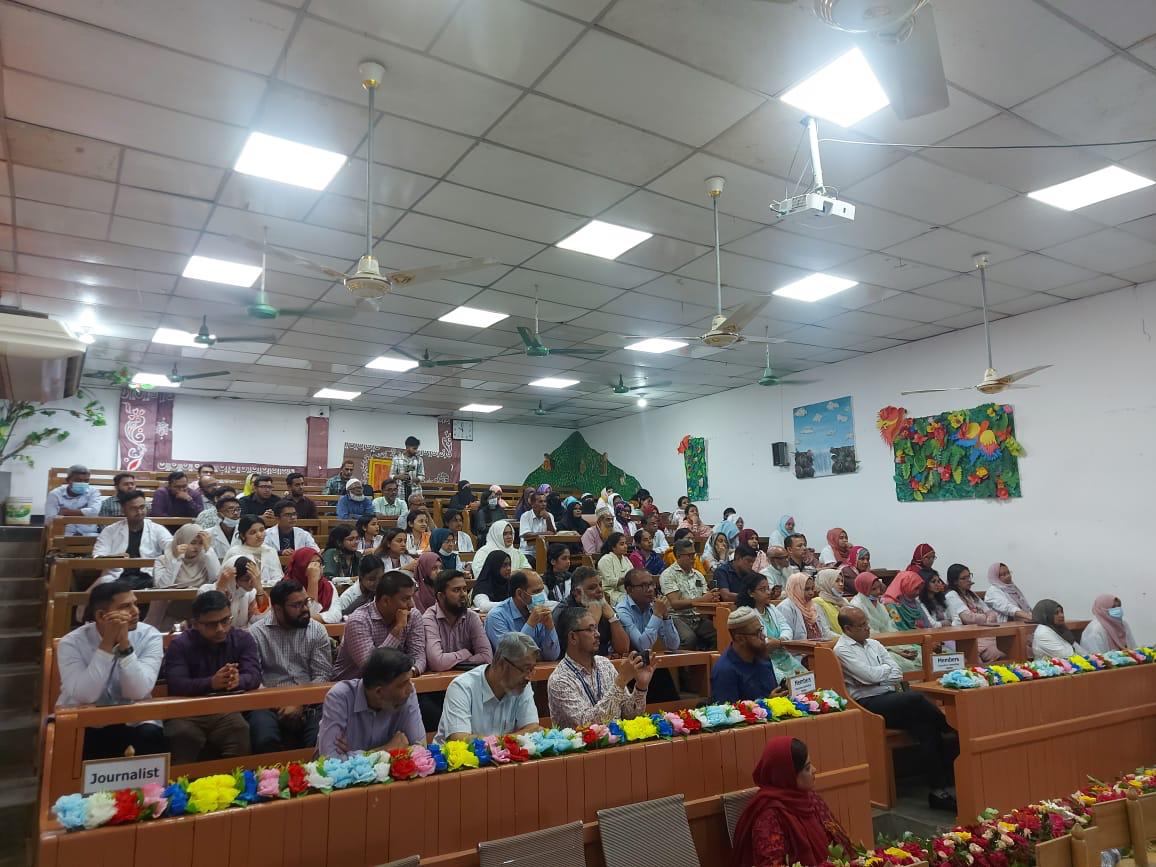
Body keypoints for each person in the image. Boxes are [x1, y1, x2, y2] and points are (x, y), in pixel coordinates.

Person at [834, 606, 958, 811]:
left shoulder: (874, 644)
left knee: (926, 727)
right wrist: (882, 673)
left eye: (867, 623)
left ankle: (938, 792)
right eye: (862, 625)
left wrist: (879, 675)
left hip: (889, 697)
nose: (867, 627)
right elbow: (868, 677)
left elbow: (897, 672)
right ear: (848, 629)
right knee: (916, 698)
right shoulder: (842, 649)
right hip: (867, 704)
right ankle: (948, 726)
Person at [56, 580, 165, 758]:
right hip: (85, 719)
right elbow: (86, 696)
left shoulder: (149, 635)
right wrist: (107, 643)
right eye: (125, 606)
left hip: (133, 716)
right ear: (101, 616)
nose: (136, 611)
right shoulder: (71, 643)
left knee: (150, 735)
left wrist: (125, 646)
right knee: (84, 739)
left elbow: (138, 692)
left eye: (135, 604)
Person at [161, 590, 260, 763]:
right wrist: (211, 683)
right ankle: (182, 781)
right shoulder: (180, 645)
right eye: (212, 624)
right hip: (186, 711)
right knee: (183, 734)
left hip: (225, 709)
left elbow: (254, 675)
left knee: (238, 729)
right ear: (196, 624)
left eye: (225, 620)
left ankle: (236, 779)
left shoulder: (242, 639)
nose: (220, 629)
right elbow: (176, 684)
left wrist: (237, 680)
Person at [730, 736, 855, 867]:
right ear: (788, 775)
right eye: (807, 768)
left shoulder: (811, 799)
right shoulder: (768, 816)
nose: (814, 770)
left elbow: (838, 844)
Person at [248, 579, 333, 752]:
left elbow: (322, 676)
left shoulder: (317, 630)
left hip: (310, 700)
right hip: (269, 703)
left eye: (306, 602)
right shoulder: (256, 633)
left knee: (320, 739)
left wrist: (300, 703)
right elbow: (255, 680)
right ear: (277, 609)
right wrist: (281, 704)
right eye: (296, 605)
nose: (305, 609)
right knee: (265, 739)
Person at [548, 605, 652, 728]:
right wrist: (621, 681)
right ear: (573, 637)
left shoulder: (605, 664)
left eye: (596, 628)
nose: (597, 634)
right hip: (584, 741)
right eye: (590, 629)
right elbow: (587, 725)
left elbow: (629, 716)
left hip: (618, 738)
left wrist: (641, 686)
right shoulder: (560, 680)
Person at [317, 647, 424, 757]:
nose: (410, 688)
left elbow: (420, 749)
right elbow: (329, 759)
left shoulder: (408, 694)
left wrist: (352, 755)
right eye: (403, 683)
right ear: (379, 692)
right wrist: (385, 750)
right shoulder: (340, 697)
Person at [436, 632, 543, 742]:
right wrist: (512, 739)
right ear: (502, 664)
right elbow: (461, 740)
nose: (529, 677)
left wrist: (499, 742)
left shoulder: (522, 685)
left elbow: (533, 730)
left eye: (532, 669)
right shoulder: (462, 688)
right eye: (526, 669)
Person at [334, 569, 426, 680]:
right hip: (352, 685)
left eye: (412, 597)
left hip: (396, 683)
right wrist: (397, 629)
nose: (412, 605)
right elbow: (371, 668)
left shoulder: (413, 615)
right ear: (385, 601)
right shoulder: (358, 620)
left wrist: (411, 672)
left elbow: (419, 656)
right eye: (405, 599)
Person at [145, 524, 221, 630]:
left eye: (200, 543)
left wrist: (208, 549)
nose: (196, 547)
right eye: (192, 542)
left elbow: (216, 578)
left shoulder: (205, 559)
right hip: (170, 613)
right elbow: (162, 587)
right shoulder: (163, 560)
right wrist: (176, 560)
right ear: (181, 541)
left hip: (200, 611)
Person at [736, 574, 808, 683]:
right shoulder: (746, 613)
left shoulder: (772, 609)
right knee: (785, 684)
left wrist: (780, 641)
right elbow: (756, 639)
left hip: (784, 656)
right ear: (751, 593)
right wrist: (773, 643)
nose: (768, 592)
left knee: (806, 681)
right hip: (764, 660)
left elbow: (786, 628)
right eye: (762, 589)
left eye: (768, 588)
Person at [92, 490, 173, 586]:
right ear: (123, 510)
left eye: (142, 507)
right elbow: (97, 556)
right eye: (133, 508)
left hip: (149, 577)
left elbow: (171, 547)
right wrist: (116, 557)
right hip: (117, 578)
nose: (139, 512)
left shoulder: (157, 529)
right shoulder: (110, 531)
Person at [848, 572, 921, 673]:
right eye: (873, 589)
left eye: (879, 588)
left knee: (920, 654)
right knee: (903, 664)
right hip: (870, 647)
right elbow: (867, 635)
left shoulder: (879, 604)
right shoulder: (857, 606)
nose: (878, 592)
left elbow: (889, 625)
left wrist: (899, 646)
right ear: (864, 589)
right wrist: (894, 650)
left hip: (889, 642)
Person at [422, 569, 492, 672]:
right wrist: (466, 653)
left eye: (465, 589)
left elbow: (487, 657)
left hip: (468, 678)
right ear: (441, 596)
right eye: (456, 590)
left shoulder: (472, 617)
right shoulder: (429, 619)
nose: (463, 594)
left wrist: (453, 663)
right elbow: (436, 662)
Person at [483, 570, 560, 661]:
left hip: (539, 667)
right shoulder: (496, 617)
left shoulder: (541, 612)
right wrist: (530, 624)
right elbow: (510, 657)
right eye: (536, 592)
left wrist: (550, 627)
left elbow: (552, 656)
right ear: (519, 594)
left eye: (542, 590)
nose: (541, 596)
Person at [712, 607, 784, 703]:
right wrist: (767, 703)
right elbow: (729, 711)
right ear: (740, 639)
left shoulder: (762, 657)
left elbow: (773, 693)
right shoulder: (725, 671)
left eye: (761, 630)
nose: (763, 636)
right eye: (757, 633)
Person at [659, 538, 719, 650]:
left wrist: (712, 599)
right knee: (689, 639)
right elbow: (675, 604)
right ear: (678, 556)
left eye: (694, 554)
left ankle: (707, 660)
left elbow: (705, 598)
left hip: (697, 617)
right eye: (689, 555)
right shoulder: (668, 575)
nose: (693, 558)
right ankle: (680, 661)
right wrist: (702, 600)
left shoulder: (698, 575)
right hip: (677, 617)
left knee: (720, 634)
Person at [558, 566, 630, 657]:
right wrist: (593, 620)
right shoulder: (564, 612)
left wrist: (613, 618)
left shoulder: (604, 607)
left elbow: (623, 649)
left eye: (600, 585)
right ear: (577, 593)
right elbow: (581, 653)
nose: (600, 590)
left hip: (602, 662)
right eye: (592, 588)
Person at [944, 564, 1003, 662]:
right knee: (998, 651)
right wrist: (986, 618)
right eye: (964, 578)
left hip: (983, 633)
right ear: (955, 581)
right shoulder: (951, 595)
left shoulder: (971, 594)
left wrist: (986, 618)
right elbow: (968, 618)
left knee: (1009, 646)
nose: (969, 580)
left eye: (969, 576)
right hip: (967, 636)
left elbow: (991, 613)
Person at [616, 569, 679, 655]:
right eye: (643, 586)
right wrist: (657, 615)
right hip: (626, 660)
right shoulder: (622, 611)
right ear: (629, 590)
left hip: (648, 659)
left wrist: (666, 617)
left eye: (651, 584)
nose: (650, 589)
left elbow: (673, 646)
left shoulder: (654, 606)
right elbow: (642, 647)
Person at [202, 555, 268, 629]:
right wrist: (220, 590)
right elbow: (214, 618)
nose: (252, 583)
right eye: (246, 579)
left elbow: (261, 621)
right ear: (233, 579)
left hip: (243, 634)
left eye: (254, 578)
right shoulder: (205, 591)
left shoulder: (251, 593)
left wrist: (259, 588)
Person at [283, 547, 341, 623]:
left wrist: (311, 618)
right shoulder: (286, 587)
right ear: (300, 567)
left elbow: (336, 615)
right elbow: (305, 616)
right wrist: (312, 582)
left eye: (319, 562)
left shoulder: (328, 586)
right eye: (312, 564)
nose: (317, 567)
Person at [223, 515, 283, 587]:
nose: (259, 535)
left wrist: (261, 585)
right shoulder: (235, 552)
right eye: (253, 532)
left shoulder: (270, 551)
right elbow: (228, 581)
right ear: (243, 536)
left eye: (262, 530)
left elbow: (278, 578)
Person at [46, 464, 102, 535]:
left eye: (86, 481)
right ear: (67, 480)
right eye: (78, 480)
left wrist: (66, 512)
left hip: (89, 533)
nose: (82, 483)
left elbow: (94, 511)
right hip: (63, 532)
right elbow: (50, 519)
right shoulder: (55, 494)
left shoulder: (93, 492)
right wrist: (84, 513)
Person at [778, 573, 835, 641]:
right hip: (799, 647)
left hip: (820, 645)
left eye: (812, 589)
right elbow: (788, 638)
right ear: (795, 589)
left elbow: (825, 633)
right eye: (806, 589)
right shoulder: (786, 607)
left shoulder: (814, 606)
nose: (811, 593)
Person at [338, 553, 384, 618]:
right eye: (371, 579)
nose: (377, 583)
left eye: (380, 578)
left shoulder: (383, 593)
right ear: (361, 576)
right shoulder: (347, 598)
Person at [518, 491, 556, 567]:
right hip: (527, 552)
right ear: (532, 504)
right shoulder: (525, 516)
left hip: (545, 551)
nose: (544, 504)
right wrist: (545, 533)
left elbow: (553, 533)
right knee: (532, 562)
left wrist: (548, 519)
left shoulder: (549, 516)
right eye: (540, 502)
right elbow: (526, 534)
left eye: (545, 501)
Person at [597, 532, 631, 604]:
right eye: (622, 544)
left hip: (626, 591)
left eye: (626, 543)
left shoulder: (626, 559)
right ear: (613, 547)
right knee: (628, 601)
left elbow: (633, 573)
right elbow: (611, 582)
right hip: (609, 592)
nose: (625, 546)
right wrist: (628, 578)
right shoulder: (605, 559)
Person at [812, 570, 847, 636]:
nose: (841, 584)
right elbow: (825, 633)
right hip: (835, 641)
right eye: (837, 581)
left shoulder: (844, 601)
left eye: (842, 581)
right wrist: (847, 639)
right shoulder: (818, 603)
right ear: (826, 582)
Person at [391, 435, 425, 501]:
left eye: (416, 449)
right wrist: (398, 476)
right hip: (400, 491)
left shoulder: (419, 459)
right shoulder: (396, 459)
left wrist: (415, 479)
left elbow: (422, 476)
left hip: (415, 491)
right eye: (414, 449)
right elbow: (391, 475)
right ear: (407, 447)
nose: (416, 451)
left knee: (416, 507)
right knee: (402, 507)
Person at [207, 495, 242, 559]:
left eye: (238, 509)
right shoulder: (208, 534)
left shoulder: (244, 531)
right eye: (230, 509)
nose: (236, 513)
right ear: (219, 514)